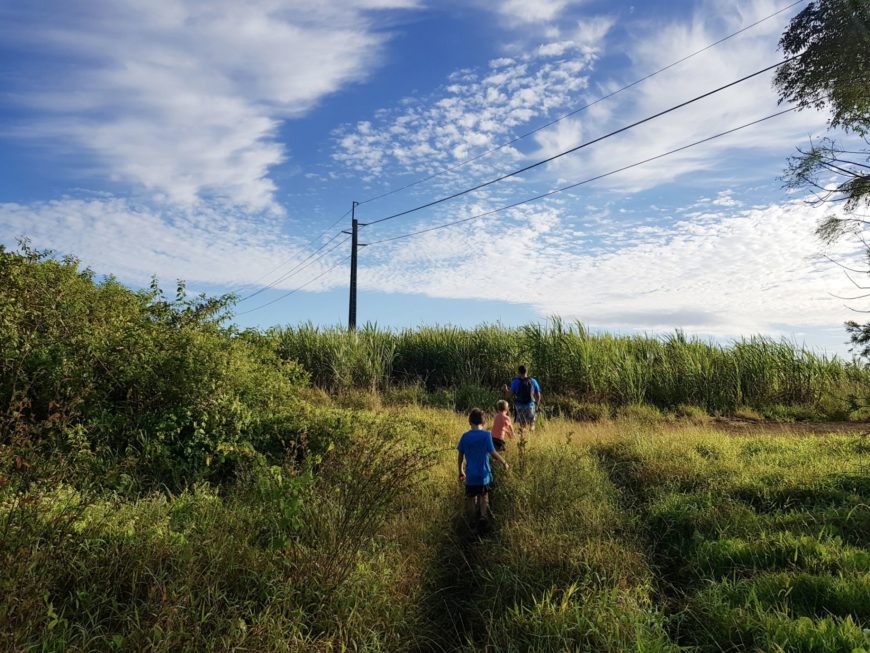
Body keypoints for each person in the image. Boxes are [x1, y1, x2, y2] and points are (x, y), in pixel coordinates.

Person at [457, 407, 509, 527]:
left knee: (470, 497)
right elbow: (493, 453)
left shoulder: (465, 436)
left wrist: (461, 471)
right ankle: (483, 516)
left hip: (470, 475)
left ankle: (471, 520)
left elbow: (460, 456)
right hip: (483, 475)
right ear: (484, 423)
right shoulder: (486, 435)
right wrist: (504, 462)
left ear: (469, 422)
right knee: (484, 495)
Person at [503, 365, 542, 432]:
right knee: (532, 423)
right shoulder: (533, 381)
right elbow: (538, 395)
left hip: (519, 406)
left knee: (522, 425)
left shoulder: (515, 382)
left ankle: (523, 438)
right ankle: (531, 433)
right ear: (527, 371)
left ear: (519, 372)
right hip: (531, 405)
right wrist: (537, 405)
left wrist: (505, 390)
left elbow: (508, 395)